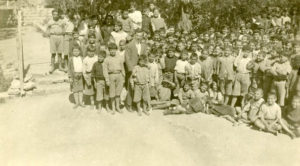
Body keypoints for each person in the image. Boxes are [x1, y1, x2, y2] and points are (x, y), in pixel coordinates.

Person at [125, 29, 148, 111]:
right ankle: (129, 104)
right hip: (132, 68)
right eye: (137, 35)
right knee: (131, 86)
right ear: (135, 35)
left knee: (140, 87)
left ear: (142, 36)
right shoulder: (129, 45)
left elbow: (145, 56)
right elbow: (127, 58)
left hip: (141, 68)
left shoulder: (144, 45)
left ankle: (137, 103)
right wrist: (131, 69)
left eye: (140, 36)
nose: (139, 37)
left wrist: (145, 66)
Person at [103, 43, 125, 114]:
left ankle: (117, 107)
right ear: (109, 51)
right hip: (111, 76)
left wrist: (123, 77)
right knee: (112, 93)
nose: (112, 51)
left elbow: (122, 68)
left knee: (118, 93)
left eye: (114, 50)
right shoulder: (106, 59)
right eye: (111, 50)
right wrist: (107, 80)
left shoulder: (120, 58)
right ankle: (113, 108)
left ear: (116, 50)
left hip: (119, 75)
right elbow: (105, 70)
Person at [46, 9, 65, 73]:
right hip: (53, 37)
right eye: (54, 14)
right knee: (53, 53)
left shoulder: (61, 21)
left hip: (60, 37)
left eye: (56, 14)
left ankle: (60, 66)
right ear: (52, 15)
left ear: (58, 15)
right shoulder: (50, 22)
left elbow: (64, 29)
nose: (55, 16)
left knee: (60, 53)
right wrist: (50, 35)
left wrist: (62, 34)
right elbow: (47, 30)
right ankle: (52, 67)